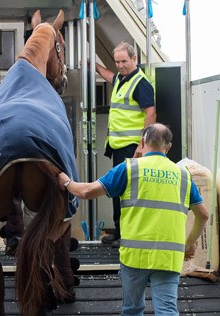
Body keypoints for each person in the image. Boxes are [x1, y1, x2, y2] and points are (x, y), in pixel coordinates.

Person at [58, 123, 208, 315]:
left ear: (142, 142)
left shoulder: (128, 169)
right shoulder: (184, 175)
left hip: (135, 257)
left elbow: (86, 192)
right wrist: (189, 244)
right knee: (167, 310)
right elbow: (203, 214)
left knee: (132, 309)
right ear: (168, 147)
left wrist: (66, 182)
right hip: (168, 258)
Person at [95, 41, 157, 246]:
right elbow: (109, 76)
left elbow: (151, 113)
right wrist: (93, 66)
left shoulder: (141, 82)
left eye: (124, 61)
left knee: (126, 191)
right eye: (117, 62)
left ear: (134, 59)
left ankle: (127, 235)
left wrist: (143, 145)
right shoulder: (122, 79)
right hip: (118, 145)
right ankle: (119, 231)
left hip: (131, 147)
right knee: (118, 188)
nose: (120, 65)